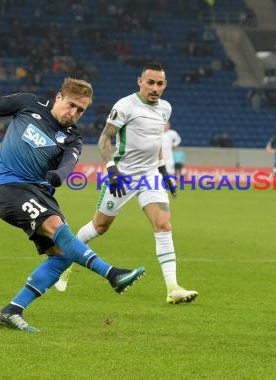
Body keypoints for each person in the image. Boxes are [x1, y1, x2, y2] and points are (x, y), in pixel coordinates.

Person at [0, 77, 146, 332]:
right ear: (59, 97)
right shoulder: (28, 103)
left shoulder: (73, 138)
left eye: (80, 111)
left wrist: (59, 176)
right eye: (71, 105)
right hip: (11, 190)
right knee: (57, 227)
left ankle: (12, 310)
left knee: (61, 257)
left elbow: (68, 164)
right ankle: (112, 274)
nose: (74, 114)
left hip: (42, 194)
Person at [54, 62, 198, 304]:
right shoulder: (125, 105)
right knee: (99, 227)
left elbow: (156, 144)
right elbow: (104, 139)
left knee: (163, 225)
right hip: (122, 176)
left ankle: (173, 288)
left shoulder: (165, 108)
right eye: (150, 82)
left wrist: (163, 173)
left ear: (165, 85)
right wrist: (112, 170)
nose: (155, 87)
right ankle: (64, 267)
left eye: (159, 83)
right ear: (139, 81)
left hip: (149, 176)